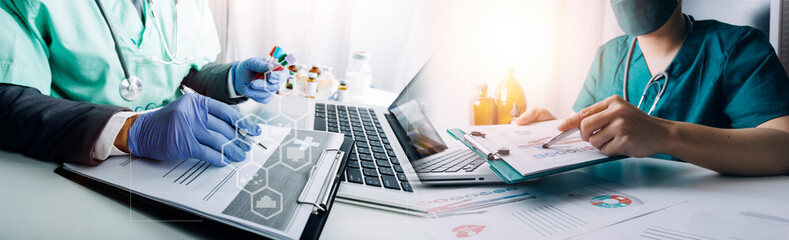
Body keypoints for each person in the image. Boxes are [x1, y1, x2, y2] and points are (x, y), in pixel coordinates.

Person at [515, 0, 789, 176]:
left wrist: (663, 135)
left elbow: (783, 148)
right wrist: (550, 130)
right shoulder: (608, 55)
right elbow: (585, 137)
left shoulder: (738, 48)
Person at [0, 0, 289, 166]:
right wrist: (130, 130)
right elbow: (9, 102)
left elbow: (184, 69)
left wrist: (231, 79)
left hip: (175, 158)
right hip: (78, 157)